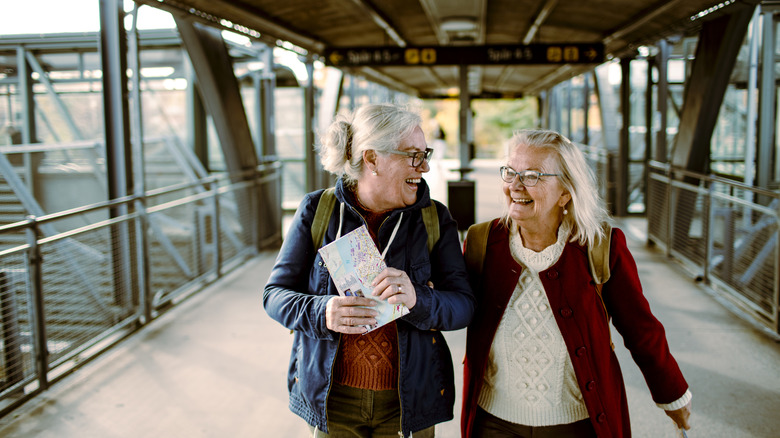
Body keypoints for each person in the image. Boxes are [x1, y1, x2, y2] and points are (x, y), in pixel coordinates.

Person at [460, 129, 692, 437]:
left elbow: (641, 328)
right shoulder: (481, 242)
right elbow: (452, 306)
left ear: (565, 192)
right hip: (494, 422)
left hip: (578, 424)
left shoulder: (600, 246)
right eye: (511, 172)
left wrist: (671, 394)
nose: (515, 185)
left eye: (532, 176)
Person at [264, 103, 476, 437]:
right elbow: (274, 296)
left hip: (407, 405)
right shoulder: (317, 210)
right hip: (333, 403)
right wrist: (323, 311)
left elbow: (464, 306)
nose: (423, 167)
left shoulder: (434, 218)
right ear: (372, 158)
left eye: (425, 154)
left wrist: (417, 299)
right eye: (412, 155)